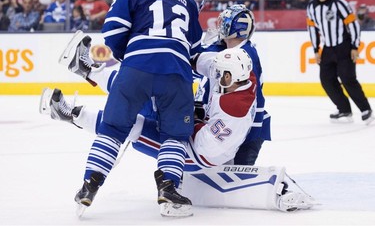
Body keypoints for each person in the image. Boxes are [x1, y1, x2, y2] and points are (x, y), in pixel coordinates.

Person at [40, 47, 314, 213]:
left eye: (224, 77)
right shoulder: (239, 76)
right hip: (198, 129)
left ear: (237, 78)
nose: (219, 78)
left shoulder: (234, 110)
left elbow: (205, 146)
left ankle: (72, 111)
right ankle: (90, 72)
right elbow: (210, 64)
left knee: (134, 120)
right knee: (143, 97)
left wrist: (184, 116)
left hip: (194, 154)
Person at [62, 0, 203, 218]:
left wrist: (132, 59)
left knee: (113, 129)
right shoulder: (188, 1)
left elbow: (113, 32)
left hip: (136, 69)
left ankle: (89, 187)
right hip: (176, 73)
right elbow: (195, 51)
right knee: (174, 135)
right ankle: (168, 189)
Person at [193, 4, 271, 166]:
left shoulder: (245, 56)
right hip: (224, 124)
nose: (220, 26)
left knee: (236, 177)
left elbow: (255, 100)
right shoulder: (226, 49)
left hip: (244, 129)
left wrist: (249, 135)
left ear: (235, 28)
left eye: (225, 23)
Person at [306, 0, 373, 124]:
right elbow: (312, 29)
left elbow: (353, 24)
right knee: (326, 80)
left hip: (344, 46)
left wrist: (355, 46)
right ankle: (344, 110)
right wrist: (316, 50)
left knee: (348, 78)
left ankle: (366, 110)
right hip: (327, 48)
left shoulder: (338, 2)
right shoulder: (311, 6)